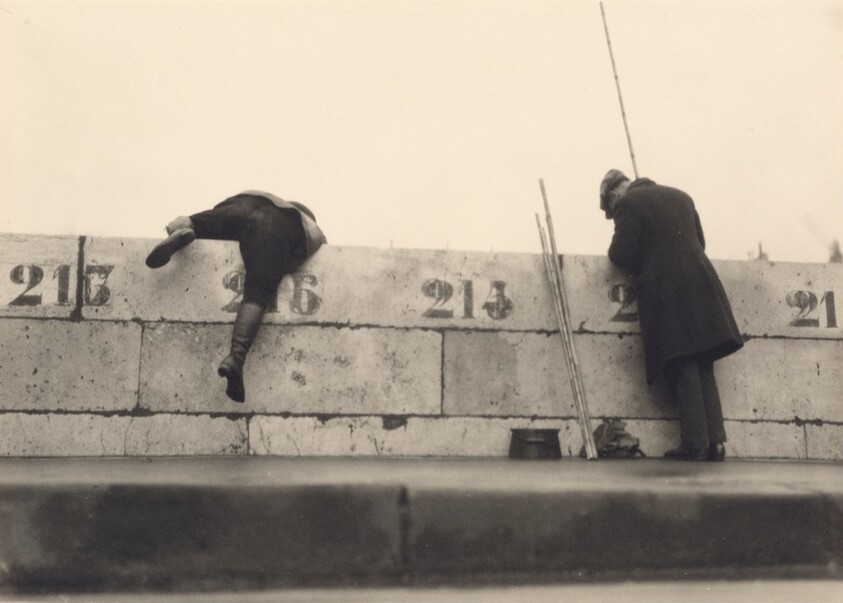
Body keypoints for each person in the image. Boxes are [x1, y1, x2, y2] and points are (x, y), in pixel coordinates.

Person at [600, 170, 743, 461]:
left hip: (668, 290)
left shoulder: (628, 203)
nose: (614, 212)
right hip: (701, 283)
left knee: (682, 362)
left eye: (611, 209)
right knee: (703, 363)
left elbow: (620, 254)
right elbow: (700, 243)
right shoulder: (682, 196)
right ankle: (716, 443)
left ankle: (695, 444)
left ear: (614, 195)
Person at [145, 191, 327, 403]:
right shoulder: (299, 221)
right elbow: (313, 248)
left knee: (206, 224)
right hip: (275, 229)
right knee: (258, 290)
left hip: (243, 203)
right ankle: (236, 357)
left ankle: (183, 229)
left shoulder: (267, 198)